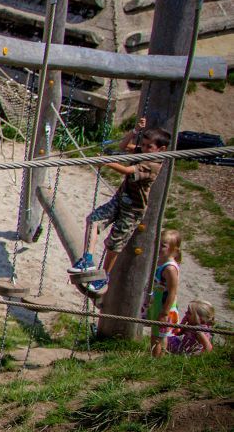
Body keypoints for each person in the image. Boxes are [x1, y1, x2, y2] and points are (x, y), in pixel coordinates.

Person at [68, 127, 172, 294]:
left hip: (133, 210)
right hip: (120, 199)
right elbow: (124, 146)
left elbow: (127, 170)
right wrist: (134, 131)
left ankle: (104, 276)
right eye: (143, 145)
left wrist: (107, 162)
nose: (144, 149)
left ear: (161, 150)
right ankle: (87, 260)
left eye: (148, 146)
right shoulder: (142, 152)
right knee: (93, 219)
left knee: (114, 244)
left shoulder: (152, 165)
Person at [142, 229, 181, 358]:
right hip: (157, 304)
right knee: (155, 334)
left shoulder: (170, 268)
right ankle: (155, 357)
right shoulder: (160, 262)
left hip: (164, 307)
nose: (158, 248)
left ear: (174, 249)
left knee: (160, 336)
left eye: (163, 246)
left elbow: (172, 292)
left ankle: (158, 360)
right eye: (157, 244)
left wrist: (165, 312)